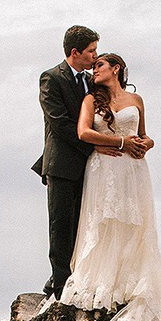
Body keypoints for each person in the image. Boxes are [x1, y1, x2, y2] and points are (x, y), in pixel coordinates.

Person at [59, 52, 161, 321]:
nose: (94, 70)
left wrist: (145, 144)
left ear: (115, 68)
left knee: (135, 226)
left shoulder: (136, 99)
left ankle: (129, 279)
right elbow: (84, 132)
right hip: (105, 170)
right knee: (103, 224)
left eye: (99, 65)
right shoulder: (91, 98)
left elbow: (145, 136)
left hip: (133, 170)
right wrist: (118, 141)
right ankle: (106, 281)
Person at [32, 25, 112, 301]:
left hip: (91, 165)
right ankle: (60, 289)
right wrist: (94, 145)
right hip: (62, 165)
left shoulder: (93, 81)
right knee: (61, 225)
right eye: (91, 51)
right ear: (75, 52)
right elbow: (61, 124)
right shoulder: (51, 79)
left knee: (83, 225)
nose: (95, 56)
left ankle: (67, 278)